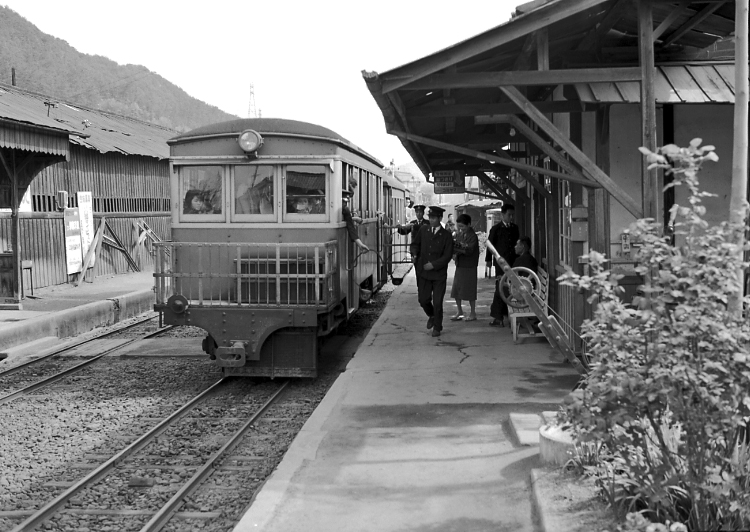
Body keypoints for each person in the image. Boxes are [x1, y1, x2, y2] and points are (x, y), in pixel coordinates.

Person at [411, 206, 454, 337]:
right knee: (423, 300)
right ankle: (432, 315)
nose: (431, 220)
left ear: (440, 219)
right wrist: (414, 255)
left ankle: (437, 327)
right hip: (424, 272)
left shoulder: (446, 235)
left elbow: (447, 256)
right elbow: (415, 244)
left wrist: (434, 265)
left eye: (434, 218)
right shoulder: (424, 230)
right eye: (430, 217)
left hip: (438, 274)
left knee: (437, 302)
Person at [486, 204, 519, 327]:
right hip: (500, 263)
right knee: (500, 288)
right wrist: (488, 260)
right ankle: (498, 316)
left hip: (513, 262)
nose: (511, 217)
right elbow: (490, 245)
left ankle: (503, 314)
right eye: (509, 215)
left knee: (510, 288)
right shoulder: (496, 229)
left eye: (512, 215)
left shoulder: (515, 228)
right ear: (502, 215)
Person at [449, 213, 479, 322]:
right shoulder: (459, 234)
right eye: (459, 226)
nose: (461, 229)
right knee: (457, 289)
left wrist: (460, 249)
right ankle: (459, 310)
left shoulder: (473, 236)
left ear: (469, 225)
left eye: (463, 226)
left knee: (470, 290)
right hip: (460, 265)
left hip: (470, 266)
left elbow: (469, 249)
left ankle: (473, 312)